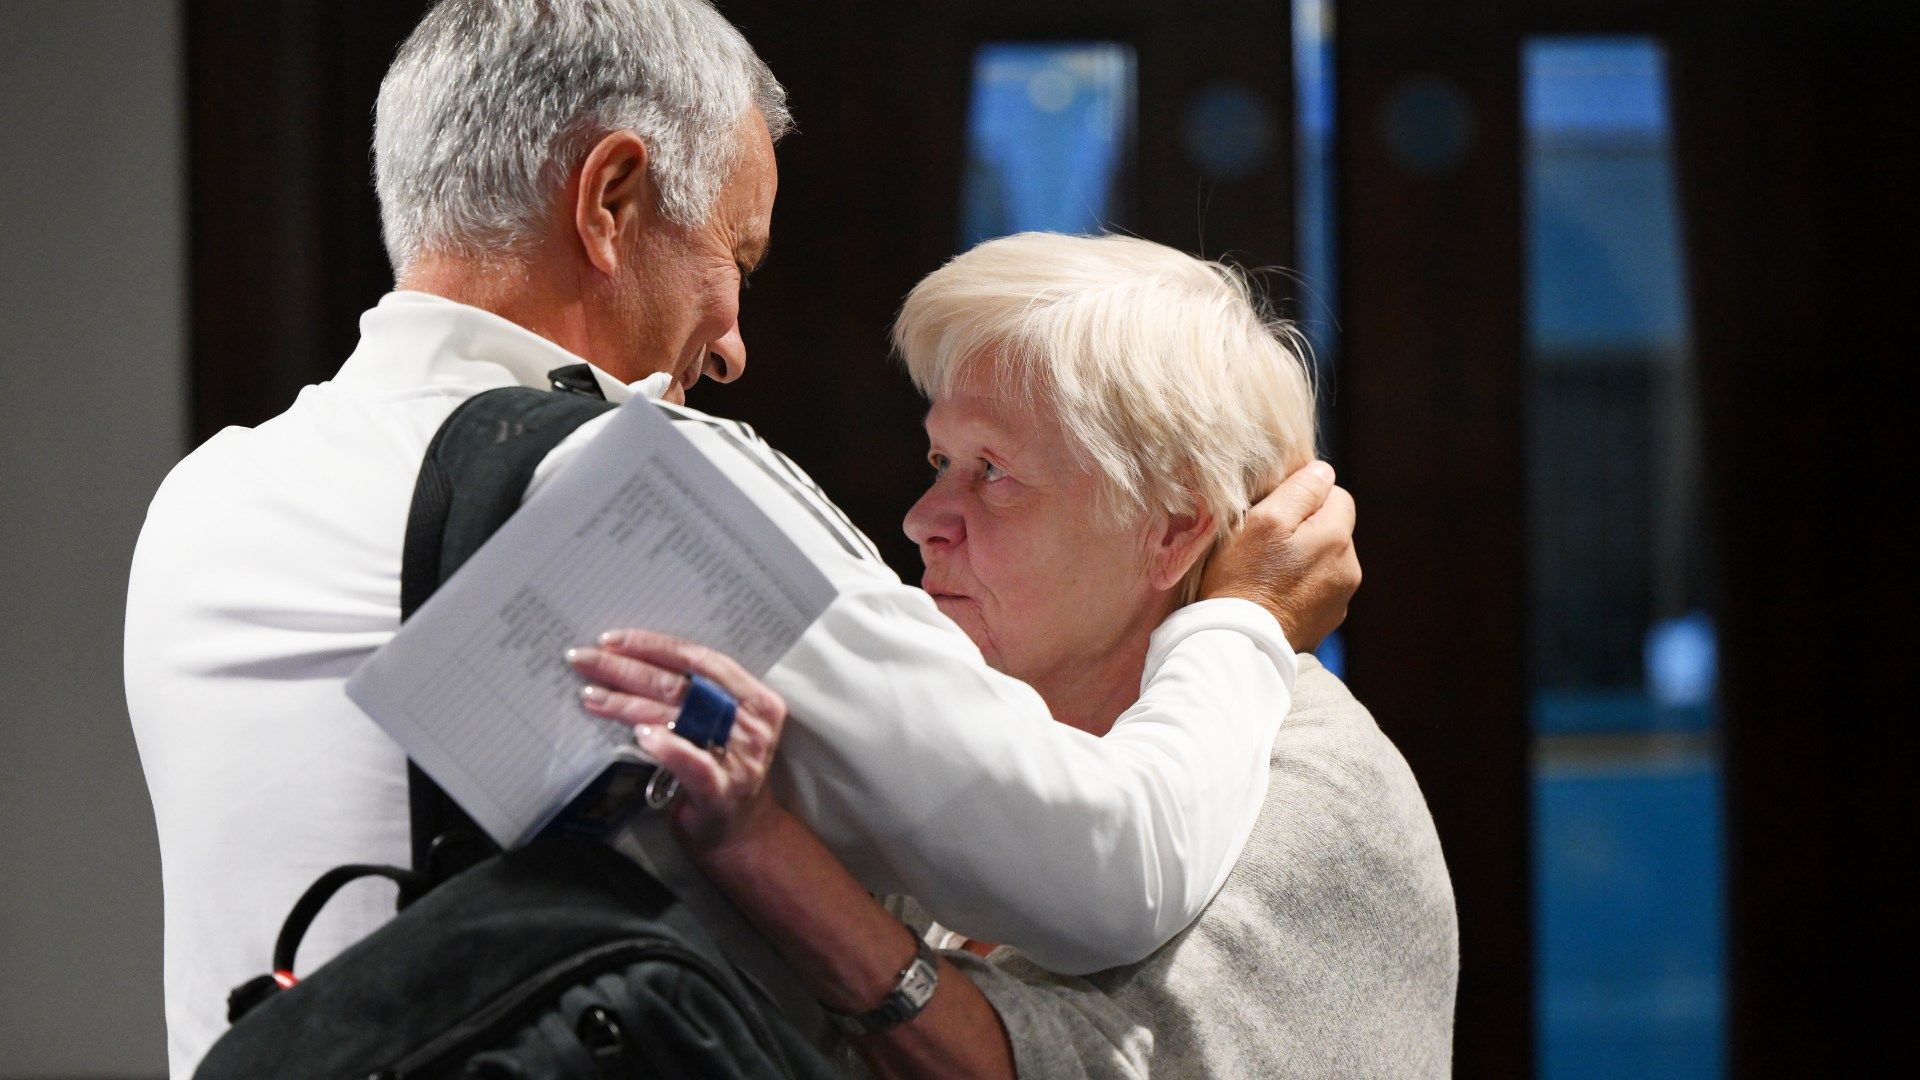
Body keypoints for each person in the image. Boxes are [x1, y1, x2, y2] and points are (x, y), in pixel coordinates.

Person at [122, 2, 1360, 1074]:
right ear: (610, 201)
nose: (729, 347)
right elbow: (1112, 875)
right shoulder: (644, 495)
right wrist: (1246, 621)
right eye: (735, 256)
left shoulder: (203, 499)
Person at [569, 232, 1456, 1077]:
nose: (922, 520)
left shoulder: (1322, 781)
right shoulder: (988, 729)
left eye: (991, 471)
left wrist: (768, 849)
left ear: (1173, 530)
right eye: (940, 458)